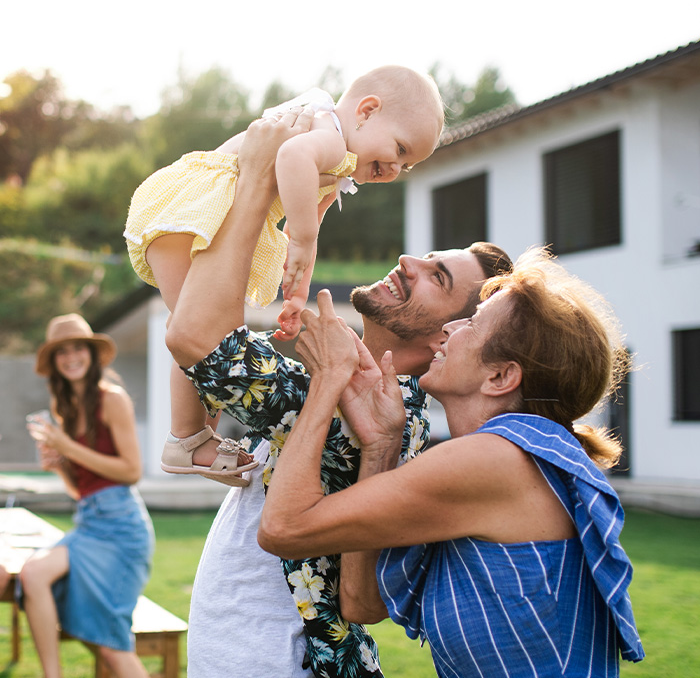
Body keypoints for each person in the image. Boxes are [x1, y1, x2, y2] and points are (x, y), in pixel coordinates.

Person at [164, 108, 512, 677]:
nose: (409, 262)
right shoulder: (357, 385)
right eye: (427, 257)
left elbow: (197, 337)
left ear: (449, 331)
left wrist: (255, 178)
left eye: (437, 277)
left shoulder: (363, 403)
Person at [258, 249, 646, 677]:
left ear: (500, 377)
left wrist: (329, 379)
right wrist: (382, 446)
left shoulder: (494, 460)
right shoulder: (517, 456)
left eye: (473, 324)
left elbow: (283, 529)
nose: (449, 328)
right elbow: (362, 602)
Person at [124, 65, 445, 485]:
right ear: (366, 111)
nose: (395, 168)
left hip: (207, 213)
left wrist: (297, 291)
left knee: (211, 325)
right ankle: (186, 438)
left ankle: (190, 438)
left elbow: (304, 224)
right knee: (205, 328)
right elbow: (292, 164)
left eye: (407, 165)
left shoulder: (338, 158)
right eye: (399, 149)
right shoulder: (329, 134)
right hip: (198, 210)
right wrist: (306, 239)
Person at [21, 313, 154, 678]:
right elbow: (80, 488)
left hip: (121, 528)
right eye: (62, 352)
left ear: (92, 354)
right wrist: (60, 464)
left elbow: (131, 471)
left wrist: (67, 447)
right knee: (32, 575)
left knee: (111, 647)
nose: (71, 357)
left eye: (78, 348)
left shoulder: (112, 399)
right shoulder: (64, 411)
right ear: (54, 363)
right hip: (90, 522)